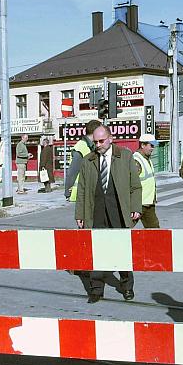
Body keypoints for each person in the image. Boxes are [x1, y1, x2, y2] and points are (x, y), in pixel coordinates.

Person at [75, 125, 142, 303]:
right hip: (96, 212)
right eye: (95, 141)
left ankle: (127, 287)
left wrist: (136, 207)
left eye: (101, 141)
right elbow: (81, 190)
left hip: (118, 211)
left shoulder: (125, 156)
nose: (98, 145)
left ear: (110, 138)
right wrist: (79, 214)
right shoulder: (88, 160)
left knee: (122, 252)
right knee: (97, 252)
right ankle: (96, 289)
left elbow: (135, 186)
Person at [64, 119, 102, 201]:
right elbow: (72, 172)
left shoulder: (91, 147)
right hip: (79, 194)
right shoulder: (81, 147)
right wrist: (67, 191)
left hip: (88, 193)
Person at [132, 133, 160, 228]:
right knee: (125, 228)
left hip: (148, 204)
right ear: (143, 145)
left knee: (155, 231)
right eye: (151, 146)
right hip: (139, 204)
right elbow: (130, 184)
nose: (153, 148)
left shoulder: (147, 158)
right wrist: (133, 205)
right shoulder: (136, 160)